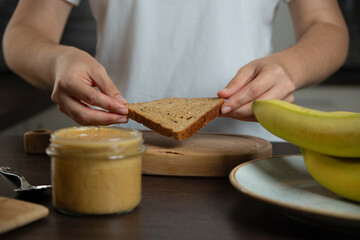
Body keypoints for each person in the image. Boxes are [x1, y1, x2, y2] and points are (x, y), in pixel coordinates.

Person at [3, 0, 348, 141]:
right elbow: (23, 35)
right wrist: (57, 61)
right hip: (122, 150)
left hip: (249, 154)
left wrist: (291, 67)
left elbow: (327, 27)